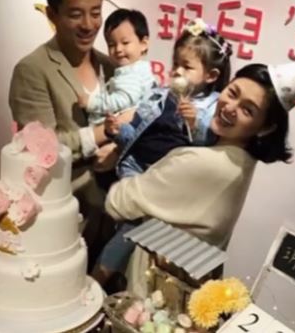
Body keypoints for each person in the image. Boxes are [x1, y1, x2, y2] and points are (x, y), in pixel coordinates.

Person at [104, 57, 295, 295]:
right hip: (183, 287)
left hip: (152, 286)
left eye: (248, 110)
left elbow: (119, 201)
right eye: (233, 93)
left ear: (266, 127)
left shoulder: (201, 162)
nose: (230, 108)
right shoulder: (243, 161)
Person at [92, 19, 233, 288]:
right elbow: (137, 136)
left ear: (211, 75)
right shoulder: (158, 95)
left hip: (167, 185)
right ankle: (104, 281)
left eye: (187, 67)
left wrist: (194, 124)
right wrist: (116, 131)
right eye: (175, 64)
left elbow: (206, 152)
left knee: (133, 230)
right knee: (128, 225)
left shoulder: (211, 109)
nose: (177, 71)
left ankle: (99, 279)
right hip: (136, 168)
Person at [8, 0, 132, 268]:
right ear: (53, 15)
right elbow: (42, 149)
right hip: (65, 223)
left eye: (95, 13)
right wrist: (104, 132)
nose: (89, 25)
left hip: (116, 216)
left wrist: (118, 150)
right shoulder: (32, 70)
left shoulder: (113, 67)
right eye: (76, 14)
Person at [78, 8, 157, 125]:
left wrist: (91, 103)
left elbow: (121, 100)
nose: (118, 49)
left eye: (125, 43)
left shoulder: (133, 74)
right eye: (111, 45)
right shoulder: (137, 71)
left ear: (143, 44)